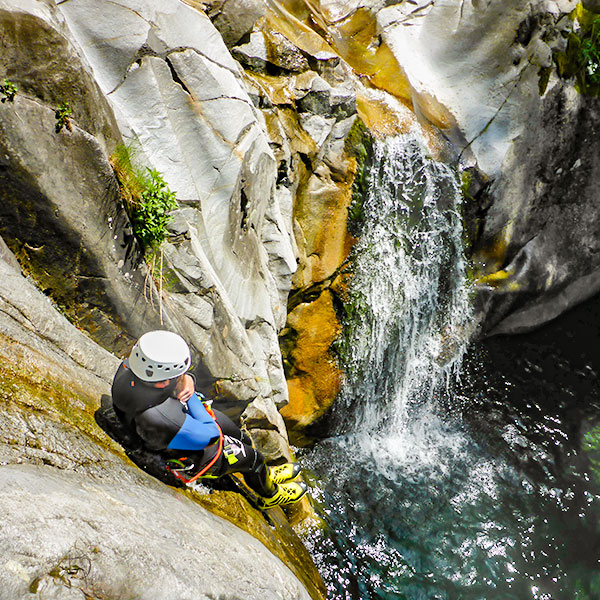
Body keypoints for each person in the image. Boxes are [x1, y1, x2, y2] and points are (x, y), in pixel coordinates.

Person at [111, 330, 307, 508]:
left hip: (170, 426)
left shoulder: (130, 368)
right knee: (254, 459)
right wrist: (190, 393)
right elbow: (212, 435)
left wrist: (187, 380)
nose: (184, 376)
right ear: (163, 383)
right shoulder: (163, 417)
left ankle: (264, 474)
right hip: (190, 450)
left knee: (242, 438)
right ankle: (271, 494)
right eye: (180, 375)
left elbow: (170, 387)